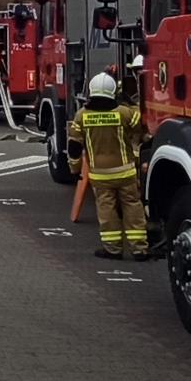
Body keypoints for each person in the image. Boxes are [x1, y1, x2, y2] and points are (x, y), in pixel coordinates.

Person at [68, 73, 150, 260]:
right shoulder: (123, 113)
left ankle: (112, 249)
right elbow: (141, 125)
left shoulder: (81, 116)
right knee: (133, 207)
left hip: (99, 175)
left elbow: (74, 146)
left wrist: (75, 169)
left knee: (106, 210)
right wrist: (129, 101)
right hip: (125, 171)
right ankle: (139, 249)